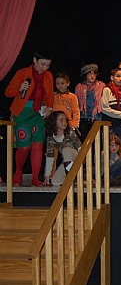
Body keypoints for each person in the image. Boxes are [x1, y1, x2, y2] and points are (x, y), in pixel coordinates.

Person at [5, 50, 55, 186]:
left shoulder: (48, 76)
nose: (44, 68)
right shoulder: (22, 73)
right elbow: (8, 92)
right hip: (22, 112)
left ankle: (35, 178)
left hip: (39, 113)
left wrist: (49, 108)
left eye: (47, 65)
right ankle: (18, 173)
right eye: (42, 64)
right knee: (24, 147)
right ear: (34, 60)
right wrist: (19, 88)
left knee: (38, 145)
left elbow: (50, 95)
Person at [44, 111, 82, 186]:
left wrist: (84, 163)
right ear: (54, 122)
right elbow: (50, 156)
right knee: (55, 182)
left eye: (65, 120)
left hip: (78, 158)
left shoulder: (70, 133)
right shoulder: (51, 138)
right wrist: (47, 174)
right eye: (61, 120)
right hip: (68, 163)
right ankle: (73, 177)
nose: (64, 122)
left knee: (66, 149)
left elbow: (80, 148)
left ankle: (71, 177)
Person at [101, 68, 121, 148]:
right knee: (109, 149)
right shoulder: (107, 90)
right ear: (112, 77)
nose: (120, 79)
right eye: (118, 76)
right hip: (110, 125)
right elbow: (105, 108)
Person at [75, 63, 105, 140]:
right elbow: (77, 103)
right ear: (85, 75)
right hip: (83, 117)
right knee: (85, 140)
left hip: (97, 117)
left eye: (94, 73)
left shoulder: (101, 85)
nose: (92, 76)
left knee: (97, 140)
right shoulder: (79, 87)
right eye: (89, 73)